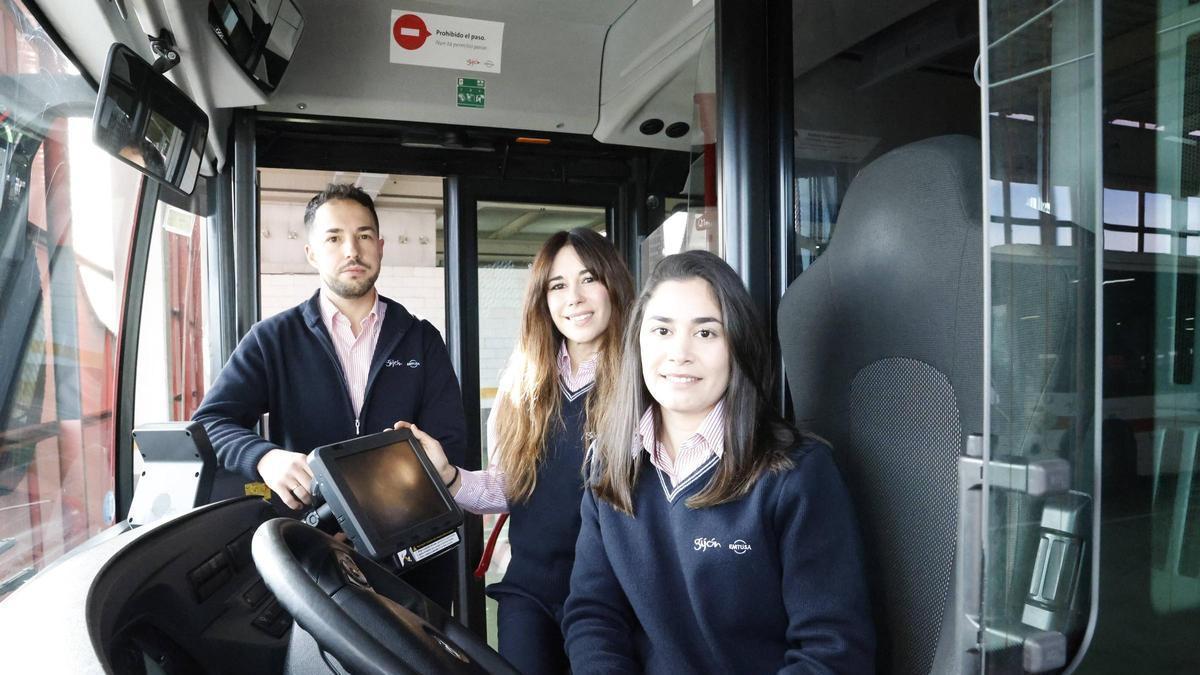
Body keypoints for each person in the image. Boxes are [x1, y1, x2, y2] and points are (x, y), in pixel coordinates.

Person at [562, 250, 875, 674]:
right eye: (662, 331)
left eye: (706, 333)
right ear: (637, 343)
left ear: (737, 345)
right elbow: (593, 614)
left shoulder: (797, 473)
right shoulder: (610, 467)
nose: (680, 354)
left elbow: (832, 652)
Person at [192, 183, 466, 609]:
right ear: (312, 254)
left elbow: (449, 442)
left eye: (364, 235)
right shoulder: (274, 339)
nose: (351, 250)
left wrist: (372, 512)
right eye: (334, 238)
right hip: (312, 551)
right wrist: (265, 457)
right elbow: (211, 422)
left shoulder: (421, 339)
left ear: (381, 246)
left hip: (414, 558)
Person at [396, 228, 634, 675]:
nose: (574, 298)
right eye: (558, 286)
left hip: (614, 596)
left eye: (589, 279)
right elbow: (509, 488)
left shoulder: (645, 380)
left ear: (614, 284)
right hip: (529, 594)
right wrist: (448, 476)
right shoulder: (524, 384)